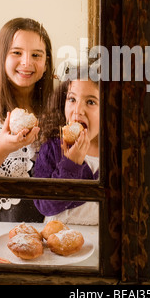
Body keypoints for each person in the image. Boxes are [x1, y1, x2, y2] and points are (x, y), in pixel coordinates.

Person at [0, 17, 54, 222]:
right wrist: (3, 147)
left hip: (47, 217)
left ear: (46, 63)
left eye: (36, 55)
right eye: (16, 52)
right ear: (1, 57)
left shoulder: (58, 106)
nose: (26, 62)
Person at [33, 65, 99, 225]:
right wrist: (71, 164)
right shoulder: (52, 148)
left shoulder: (115, 152)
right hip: (57, 237)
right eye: (72, 99)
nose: (78, 110)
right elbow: (44, 205)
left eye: (90, 101)